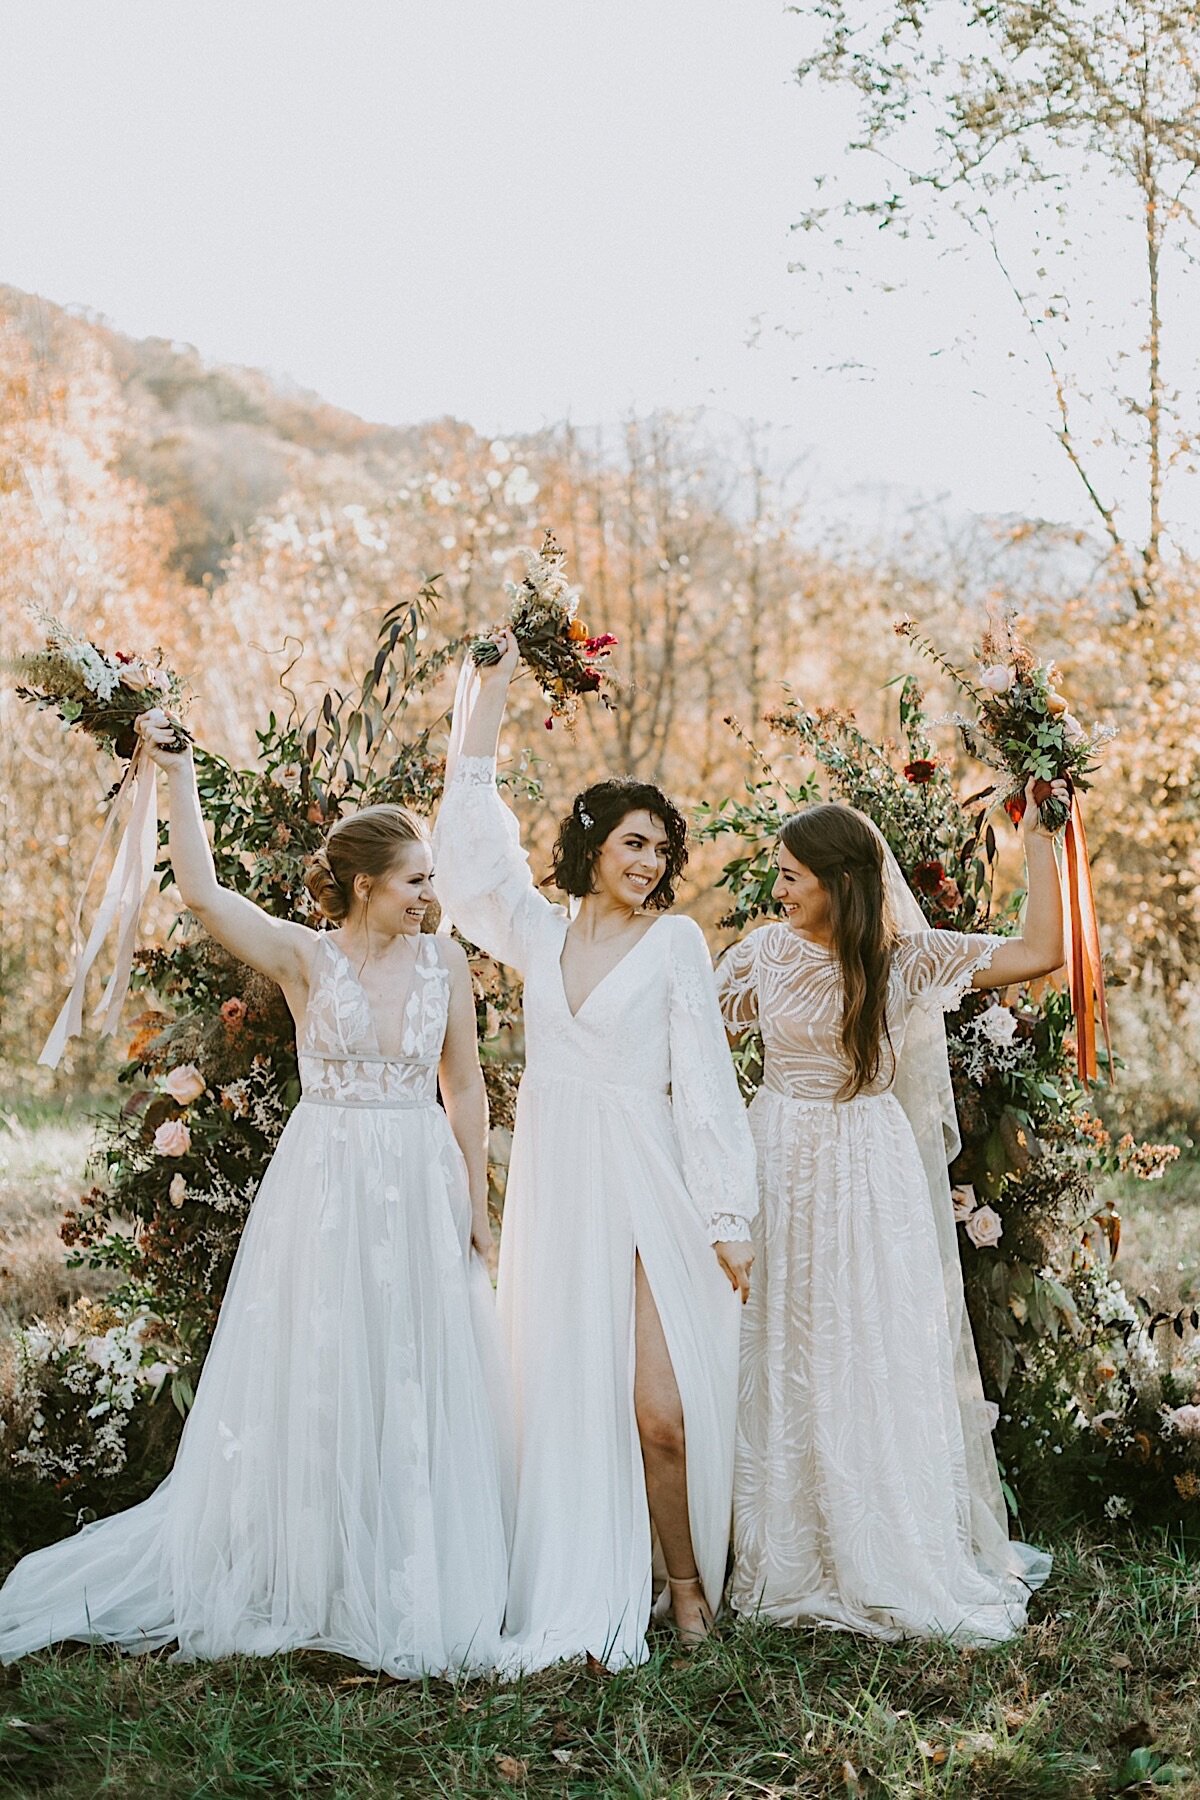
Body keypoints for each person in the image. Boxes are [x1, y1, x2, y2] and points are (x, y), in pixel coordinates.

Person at [0, 708, 511, 1676]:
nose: (428, 898)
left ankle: (411, 1569)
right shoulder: (304, 957)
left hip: (418, 1176)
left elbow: (469, 1086)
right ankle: (314, 1568)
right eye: (415, 881)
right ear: (365, 883)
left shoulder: (447, 964)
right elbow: (200, 894)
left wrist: (479, 1208)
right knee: (326, 1363)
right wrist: (180, 772)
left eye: (431, 879)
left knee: (413, 1367)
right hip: (326, 1186)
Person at [432, 634, 758, 1668]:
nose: (650, 863)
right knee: (566, 1395)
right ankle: (598, 1578)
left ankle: (688, 1584)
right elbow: (470, 860)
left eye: (661, 848)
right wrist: (488, 695)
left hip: (650, 1181)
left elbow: (705, 1086)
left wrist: (727, 1216)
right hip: (561, 1186)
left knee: (659, 1410)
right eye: (631, 844)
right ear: (591, 850)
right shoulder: (538, 933)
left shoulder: (677, 946)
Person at [717, 781, 1062, 1643]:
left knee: (865, 1343)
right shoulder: (760, 953)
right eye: (779, 873)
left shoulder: (906, 958)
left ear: (841, 879)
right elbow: (686, 1027)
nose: (780, 888)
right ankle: (785, 1550)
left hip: (867, 1169)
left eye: (794, 873)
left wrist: (1043, 840)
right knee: (782, 1340)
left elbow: (1040, 949)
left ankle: (881, 1546)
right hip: (777, 1158)